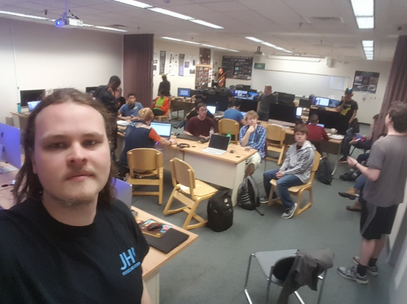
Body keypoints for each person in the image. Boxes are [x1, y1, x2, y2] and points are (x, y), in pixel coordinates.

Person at [1, 88, 151, 303]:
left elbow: (138, 288)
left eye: (90, 142)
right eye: (57, 144)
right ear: (33, 161)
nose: (78, 156)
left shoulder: (121, 215)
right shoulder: (7, 244)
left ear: (108, 153)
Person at [338, 102, 407, 285]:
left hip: (377, 198)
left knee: (369, 236)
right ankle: (372, 265)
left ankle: (360, 272)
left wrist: (356, 165)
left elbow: (373, 175)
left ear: (390, 119)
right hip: (395, 198)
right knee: (382, 233)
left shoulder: (382, 144)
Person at [262, 124, 315, 219]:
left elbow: (301, 168)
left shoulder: (309, 150)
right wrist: (282, 169)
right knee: (267, 175)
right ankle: (273, 196)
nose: (299, 136)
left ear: (306, 136)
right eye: (297, 134)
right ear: (294, 135)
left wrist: (284, 173)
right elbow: (286, 160)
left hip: (300, 176)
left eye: (302, 134)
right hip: (288, 170)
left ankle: (290, 206)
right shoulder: (293, 146)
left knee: (281, 182)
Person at [119, 108, 177, 177]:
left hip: (126, 162)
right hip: (143, 165)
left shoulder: (129, 125)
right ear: (151, 118)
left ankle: (129, 176)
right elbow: (163, 142)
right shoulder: (149, 130)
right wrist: (171, 142)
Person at [94, 75, 121, 157]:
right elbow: (116, 107)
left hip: (99, 119)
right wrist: (113, 96)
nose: (116, 89)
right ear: (114, 83)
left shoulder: (99, 88)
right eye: (117, 86)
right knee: (112, 143)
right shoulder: (108, 94)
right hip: (110, 120)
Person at [239, 111, 266, 177]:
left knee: (255, 161)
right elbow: (242, 144)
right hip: (243, 150)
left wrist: (249, 148)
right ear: (246, 120)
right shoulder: (243, 129)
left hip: (256, 151)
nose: (252, 120)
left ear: (256, 119)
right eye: (250, 119)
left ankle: (244, 178)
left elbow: (259, 144)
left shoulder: (262, 130)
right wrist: (248, 132)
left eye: (254, 118)